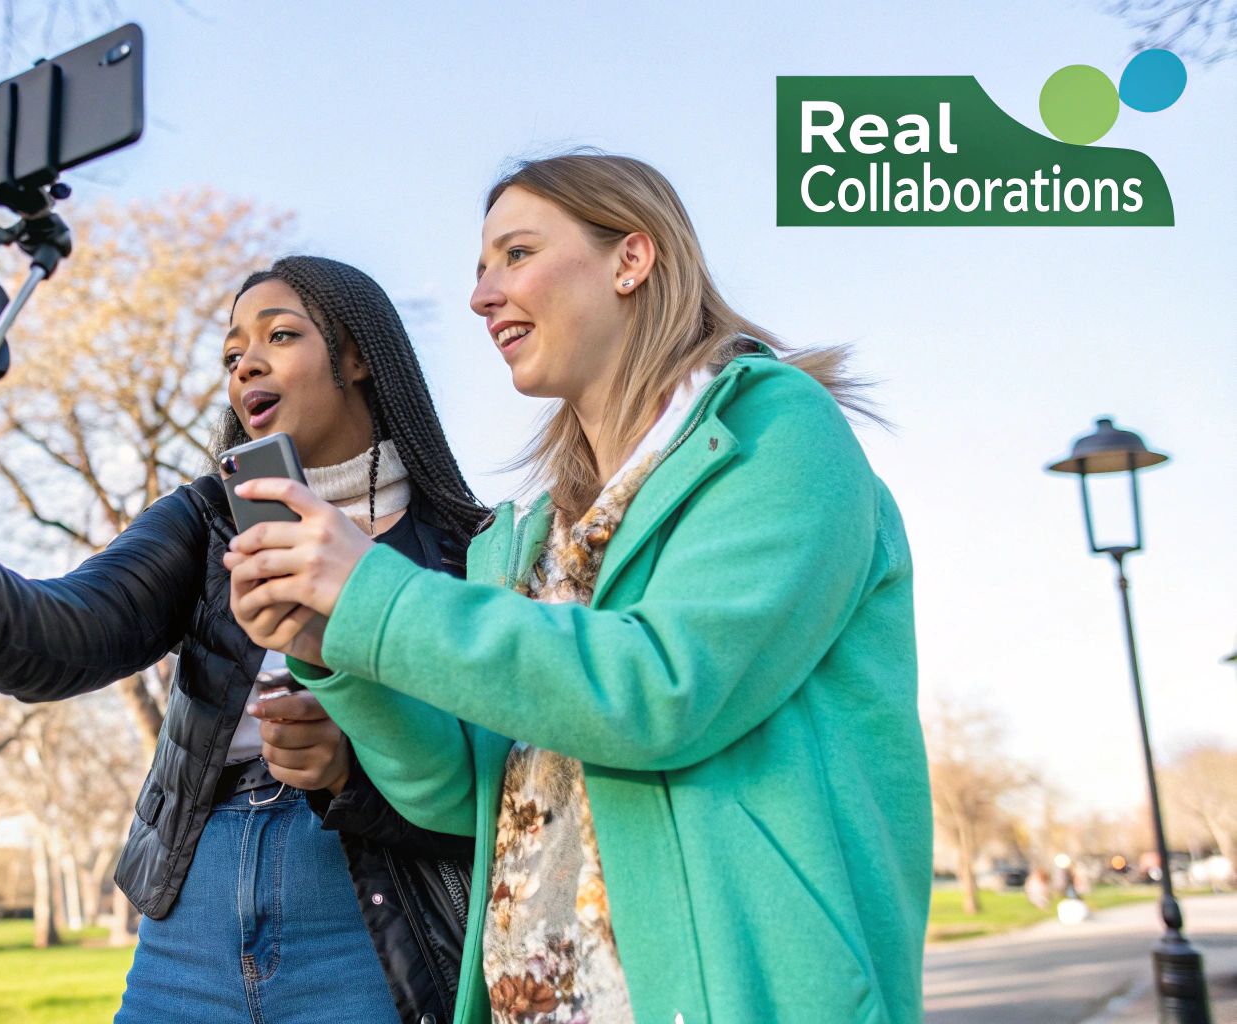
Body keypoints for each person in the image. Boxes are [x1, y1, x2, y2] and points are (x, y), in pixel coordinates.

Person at [226, 153, 932, 1023]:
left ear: (631, 258)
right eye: (481, 269)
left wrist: (374, 593)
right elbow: (466, 794)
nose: (482, 296)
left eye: (516, 255)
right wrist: (329, 644)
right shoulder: (532, 535)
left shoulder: (774, 433)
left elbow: (662, 689)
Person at [0, 255, 489, 1024]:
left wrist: (351, 770)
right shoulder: (205, 521)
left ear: (357, 354)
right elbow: (76, 629)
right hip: (192, 912)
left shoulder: (469, 551)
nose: (246, 365)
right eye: (232, 354)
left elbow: (492, 785)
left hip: (372, 919)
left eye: (280, 335)